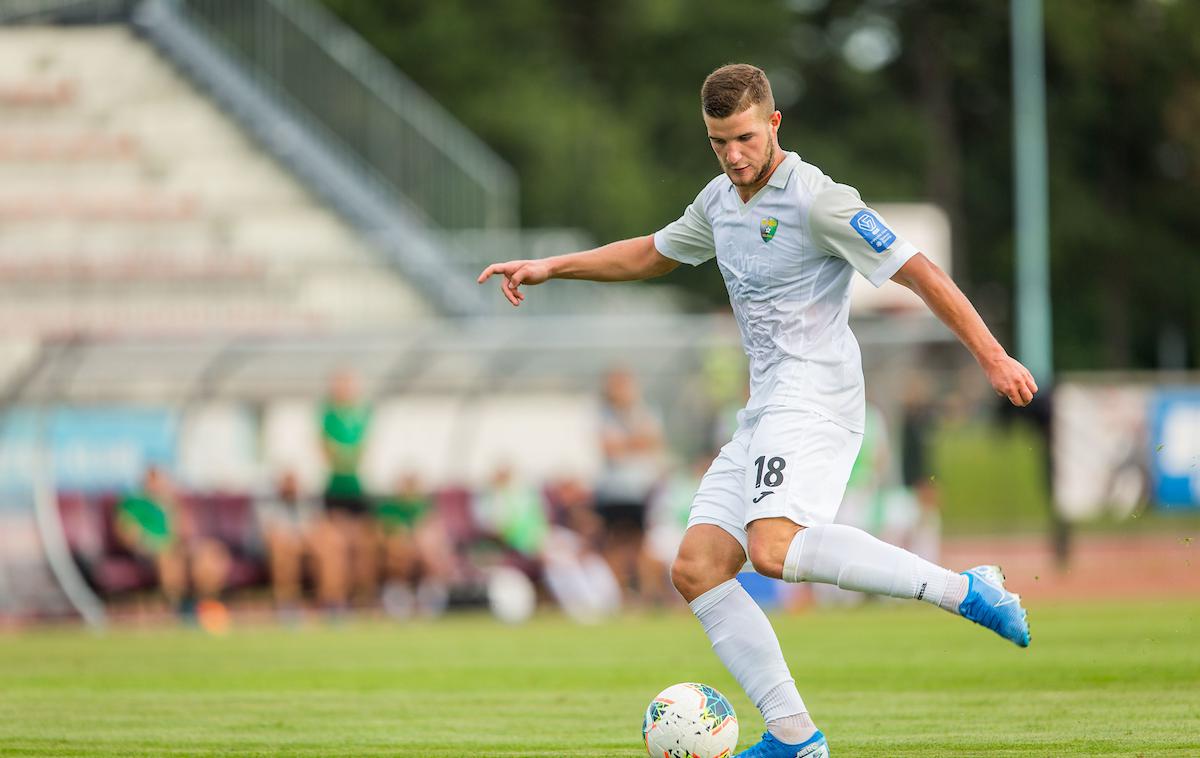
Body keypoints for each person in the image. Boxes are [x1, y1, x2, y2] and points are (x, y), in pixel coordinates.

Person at [478, 63, 1037, 757]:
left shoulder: (820, 200)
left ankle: (965, 588)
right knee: (697, 567)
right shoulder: (718, 202)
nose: (734, 155)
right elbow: (650, 254)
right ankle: (795, 738)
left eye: (744, 137)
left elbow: (919, 269)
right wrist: (551, 266)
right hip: (767, 406)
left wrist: (991, 356)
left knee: (772, 548)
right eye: (719, 142)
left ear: (773, 124)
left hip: (817, 396)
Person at [115, 466, 230, 621]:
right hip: (149, 551)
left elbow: (182, 534)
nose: (158, 485)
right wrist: (154, 544)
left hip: (174, 547)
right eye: (153, 481)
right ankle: (178, 608)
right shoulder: (132, 503)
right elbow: (127, 535)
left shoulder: (167, 504)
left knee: (209, 553)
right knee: (167, 557)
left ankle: (206, 604)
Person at [594, 368, 665, 603]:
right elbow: (610, 448)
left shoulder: (643, 411)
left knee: (643, 544)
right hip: (613, 492)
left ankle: (646, 595)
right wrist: (634, 442)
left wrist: (627, 443)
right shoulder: (602, 414)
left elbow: (652, 441)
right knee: (614, 545)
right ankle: (618, 596)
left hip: (640, 489)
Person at [319, 370, 377, 607]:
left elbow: (362, 451)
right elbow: (329, 452)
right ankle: (335, 599)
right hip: (336, 491)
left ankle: (362, 597)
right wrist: (345, 456)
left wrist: (348, 457)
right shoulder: (327, 415)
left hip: (357, 491)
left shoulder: (361, 415)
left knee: (364, 546)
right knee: (336, 547)